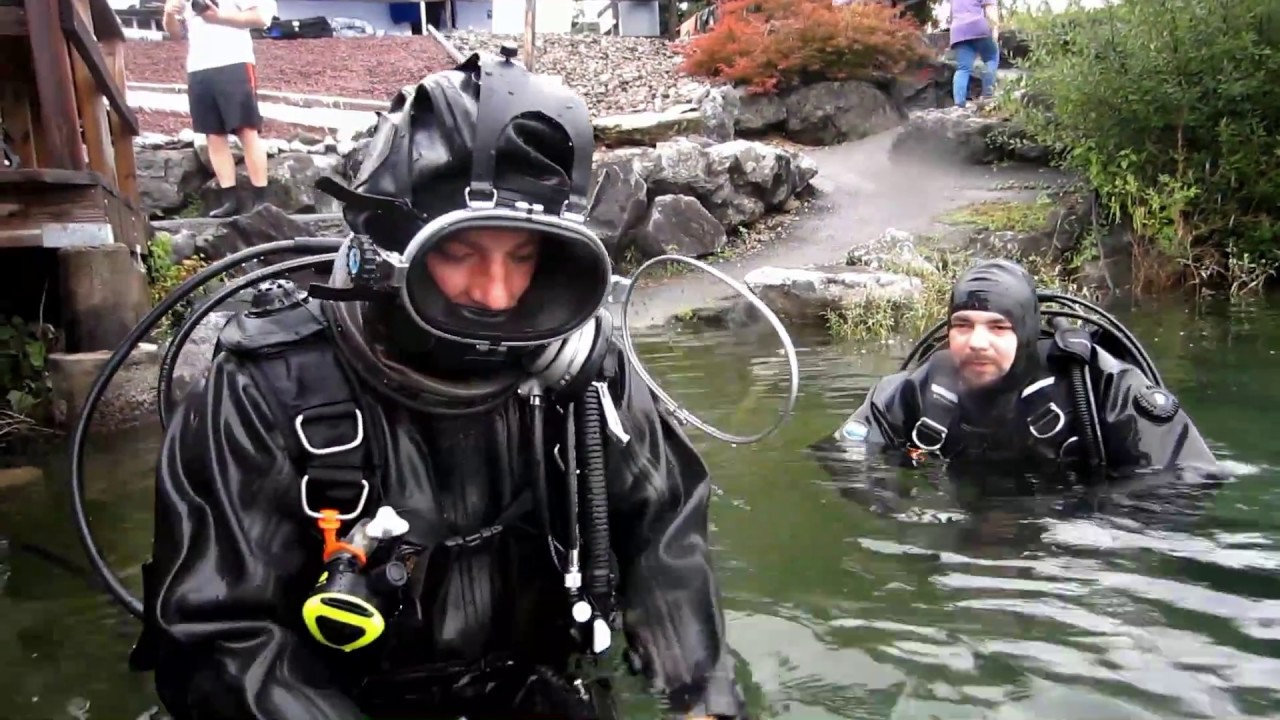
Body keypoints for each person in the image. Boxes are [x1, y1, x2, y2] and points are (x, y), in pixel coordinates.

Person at [127, 51, 745, 720]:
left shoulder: (581, 372)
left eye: (523, 256)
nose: (498, 292)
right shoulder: (268, 387)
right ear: (386, 250)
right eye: (460, 253)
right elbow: (218, 636)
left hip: (541, 689)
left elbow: (665, 528)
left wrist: (697, 690)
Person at [826, 259, 1219, 478]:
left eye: (998, 327)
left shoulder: (1095, 381)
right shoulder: (922, 388)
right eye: (962, 325)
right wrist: (903, 514)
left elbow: (1189, 479)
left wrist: (1086, 531)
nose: (977, 341)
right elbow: (841, 456)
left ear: (1028, 332)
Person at [162, 0, 275, 218]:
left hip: (234, 61)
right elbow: (176, 33)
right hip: (199, 67)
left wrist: (219, 17)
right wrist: (168, 14)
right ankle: (229, 200)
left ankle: (261, 200)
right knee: (213, 135)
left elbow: (261, 18)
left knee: (247, 130)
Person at [947, 0, 1001, 107]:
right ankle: (988, 97)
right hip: (978, 27)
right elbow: (990, 11)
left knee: (963, 68)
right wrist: (995, 31)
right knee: (991, 58)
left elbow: (952, 14)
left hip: (958, 30)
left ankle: (959, 104)